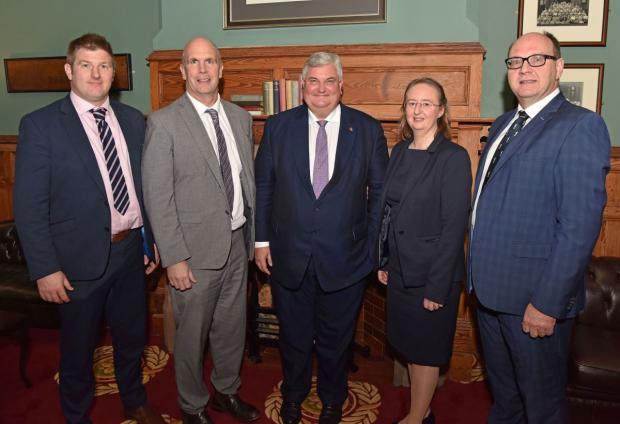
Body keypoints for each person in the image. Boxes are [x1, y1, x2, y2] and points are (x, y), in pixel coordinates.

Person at [13, 33, 164, 424]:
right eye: (86, 65)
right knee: (79, 351)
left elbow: (140, 187)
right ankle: (76, 416)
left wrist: (150, 240)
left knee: (132, 338)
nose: (96, 74)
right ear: (69, 70)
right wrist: (45, 268)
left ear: (114, 73)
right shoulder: (42, 125)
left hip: (131, 254)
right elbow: (29, 206)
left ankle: (133, 399)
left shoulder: (133, 121)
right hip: (76, 261)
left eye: (104, 66)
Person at [468, 31, 610, 424]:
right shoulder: (501, 125)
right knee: (506, 397)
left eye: (536, 59)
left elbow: (579, 227)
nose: (524, 69)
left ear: (559, 67)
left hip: (534, 302)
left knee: (543, 405)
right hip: (489, 294)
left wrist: (547, 303)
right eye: (515, 62)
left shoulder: (580, 126)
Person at [254, 52, 388, 424]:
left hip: (347, 259)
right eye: (314, 81)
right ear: (303, 87)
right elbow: (263, 186)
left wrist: (372, 248)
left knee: (336, 340)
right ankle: (293, 395)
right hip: (287, 256)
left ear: (341, 86)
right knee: (293, 338)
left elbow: (380, 193)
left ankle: (332, 399)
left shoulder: (366, 129)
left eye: (330, 81)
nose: (322, 89)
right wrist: (261, 241)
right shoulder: (278, 127)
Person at [141, 37, 259, 424]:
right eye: (194, 61)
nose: (203, 69)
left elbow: (245, 184)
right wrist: (174, 257)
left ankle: (226, 391)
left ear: (222, 70)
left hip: (237, 247)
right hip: (192, 257)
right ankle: (192, 405)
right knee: (191, 339)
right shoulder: (164, 123)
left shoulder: (240, 118)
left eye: (210, 61)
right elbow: (158, 197)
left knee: (231, 331)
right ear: (182, 70)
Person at [377, 78, 471, 424]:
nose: (418, 110)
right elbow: (389, 212)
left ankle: (416, 418)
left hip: (433, 273)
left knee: (427, 351)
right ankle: (423, 408)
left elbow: (453, 227)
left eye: (426, 104)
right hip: (401, 270)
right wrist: (385, 258)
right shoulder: (400, 151)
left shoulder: (453, 158)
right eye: (412, 102)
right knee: (410, 346)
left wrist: (437, 286)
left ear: (441, 110)